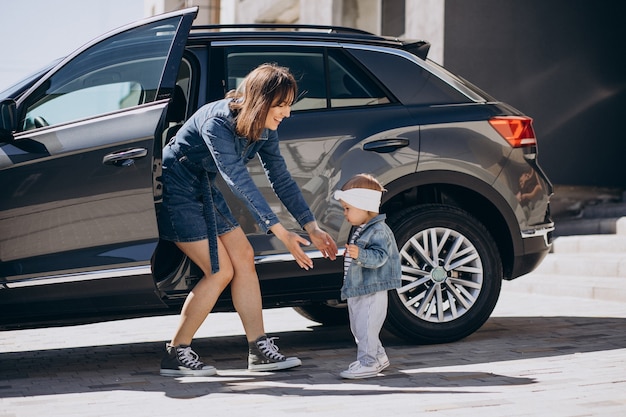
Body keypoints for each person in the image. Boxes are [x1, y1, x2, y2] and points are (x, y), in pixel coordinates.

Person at [157, 63, 338, 377]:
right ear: (260, 101)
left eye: (288, 105)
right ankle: (177, 352)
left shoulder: (264, 128)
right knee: (219, 270)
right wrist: (280, 231)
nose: (287, 113)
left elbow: (280, 177)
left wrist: (312, 226)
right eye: (281, 105)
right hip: (177, 189)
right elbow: (237, 178)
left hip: (202, 186)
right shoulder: (217, 122)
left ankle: (258, 349)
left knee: (244, 257)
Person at [333, 173, 401, 379]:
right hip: (359, 288)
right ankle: (378, 357)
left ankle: (368, 362)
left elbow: (380, 257)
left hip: (372, 289)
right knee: (358, 327)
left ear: (364, 207)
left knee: (367, 327)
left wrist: (359, 254)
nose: (345, 213)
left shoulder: (378, 230)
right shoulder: (362, 229)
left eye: (347, 208)